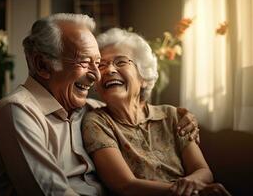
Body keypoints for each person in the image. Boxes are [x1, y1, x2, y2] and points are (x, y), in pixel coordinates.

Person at [0, 14, 199, 196]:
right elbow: (51, 192)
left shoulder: (91, 110)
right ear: (43, 65)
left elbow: (136, 112)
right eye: (85, 62)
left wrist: (184, 117)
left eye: (97, 64)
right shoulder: (16, 113)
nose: (96, 75)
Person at [82, 28, 232, 196]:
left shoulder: (172, 115)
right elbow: (125, 186)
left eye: (121, 62)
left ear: (144, 78)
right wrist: (187, 191)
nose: (109, 70)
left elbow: (203, 170)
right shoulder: (97, 122)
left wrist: (192, 183)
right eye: (102, 65)